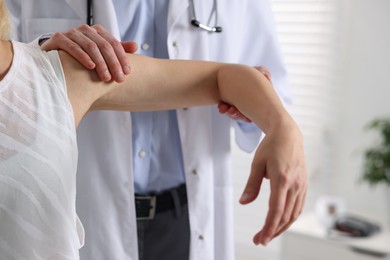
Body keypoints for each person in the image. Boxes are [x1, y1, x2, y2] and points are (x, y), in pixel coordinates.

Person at [0, 2, 307, 259]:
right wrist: (43, 53)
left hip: (184, 213)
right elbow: (16, 65)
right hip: (89, 209)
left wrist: (277, 123)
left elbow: (240, 80)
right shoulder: (61, 71)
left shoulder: (65, 74)